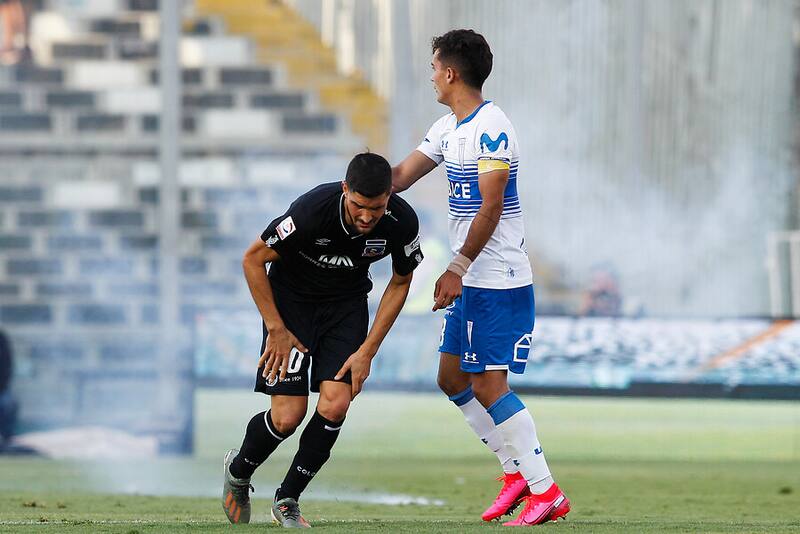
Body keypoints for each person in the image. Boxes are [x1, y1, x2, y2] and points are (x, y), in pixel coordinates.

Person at [392, 29, 570, 526]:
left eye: (434, 68)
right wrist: (349, 186)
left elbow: (491, 206)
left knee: (490, 384)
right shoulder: (447, 127)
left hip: (497, 277)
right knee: (451, 378)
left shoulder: (493, 127)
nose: (431, 76)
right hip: (473, 280)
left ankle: (545, 489)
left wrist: (456, 267)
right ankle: (515, 472)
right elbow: (400, 177)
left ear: (450, 73)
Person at [222, 152, 423, 528]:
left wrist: (367, 351)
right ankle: (238, 472)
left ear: (389, 196)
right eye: (360, 205)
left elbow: (401, 281)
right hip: (292, 308)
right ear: (346, 189)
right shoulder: (311, 212)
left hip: (345, 309)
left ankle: (287, 499)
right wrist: (276, 329)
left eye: (377, 208)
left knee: (336, 404)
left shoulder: (403, 222)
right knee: (287, 417)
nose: (367, 217)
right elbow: (252, 259)